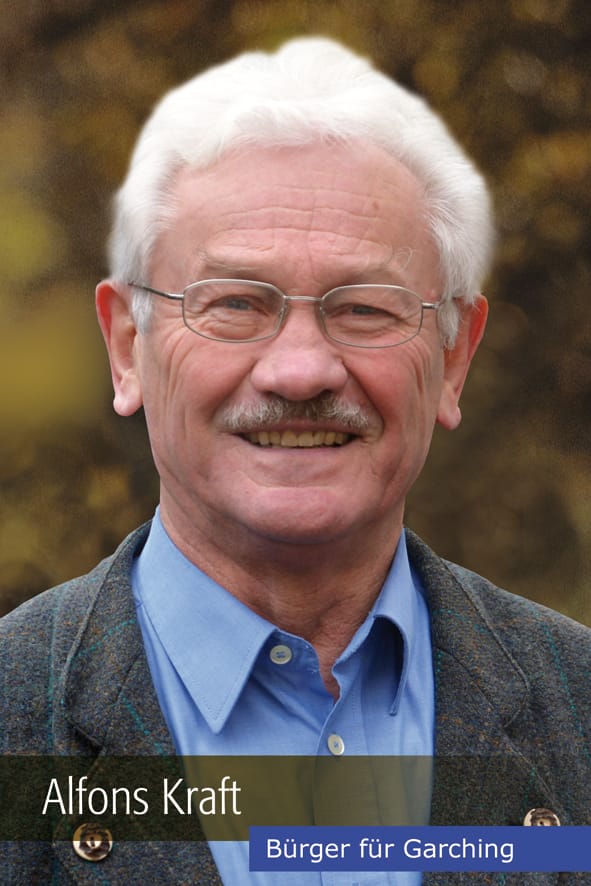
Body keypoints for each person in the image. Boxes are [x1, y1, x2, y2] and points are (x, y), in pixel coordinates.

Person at [1, 36, 590, 886]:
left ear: (453, 357)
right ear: (128, 346)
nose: (301, 370)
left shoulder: (576, 710)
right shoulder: (16, 722)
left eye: (365, 308)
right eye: (236, 303)